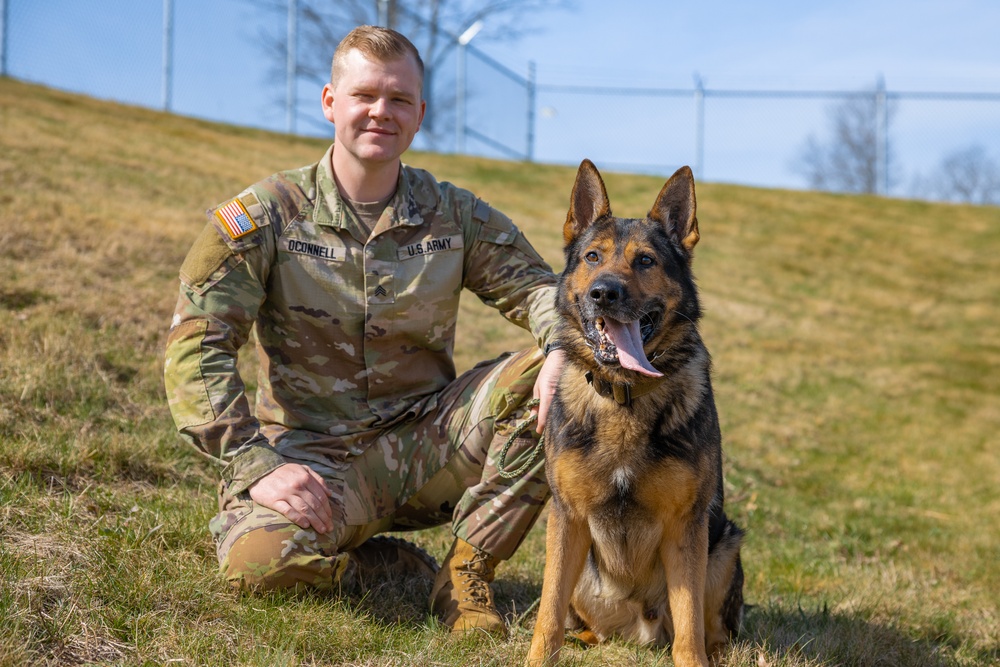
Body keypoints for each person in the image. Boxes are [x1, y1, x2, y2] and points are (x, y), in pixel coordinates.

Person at [163, 25, 565, 635]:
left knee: (562, 372)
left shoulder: (453, 214)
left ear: (421, 113)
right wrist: (254, 464)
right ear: (331, 102)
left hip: (428, 447)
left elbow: (541, 290)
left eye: (400, 99)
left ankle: (466, 570)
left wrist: (560, 345)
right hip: (311, 461)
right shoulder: (267, 215)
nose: (382, 111)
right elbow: (198, 345)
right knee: (257, 564)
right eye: (365, 95)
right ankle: (381, 567)